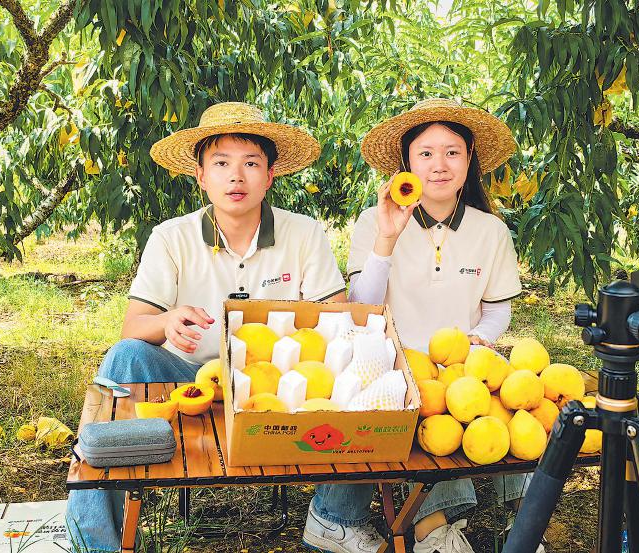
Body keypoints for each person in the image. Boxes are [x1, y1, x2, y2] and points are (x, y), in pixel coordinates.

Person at [67, 102, 346, 552]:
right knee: (123, 357)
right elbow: (133, 326)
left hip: (278, 387)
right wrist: (166, 321)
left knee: (355, 367)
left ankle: (334, 521)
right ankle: (97, 542)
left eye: (250, 163)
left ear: (270, 175)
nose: (236, 177)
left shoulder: (304, 233)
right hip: (190, 383)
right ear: (200, 175)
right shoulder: (171, 237)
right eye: (221, 164)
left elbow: (338, 319)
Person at [303, 99, 543, 553]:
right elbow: (363, 309)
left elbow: (496, 310)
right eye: (426, 153)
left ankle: (524, 525)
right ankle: (433, 530)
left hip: (464, 361)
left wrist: (483, 338)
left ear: (469, 161)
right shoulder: (373, 222)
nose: (439, 165)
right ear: (407, 163)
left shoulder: (491, 231)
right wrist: (387, 238)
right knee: (435, 412)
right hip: (392, 363)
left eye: (452, 152)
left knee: (507, 411)